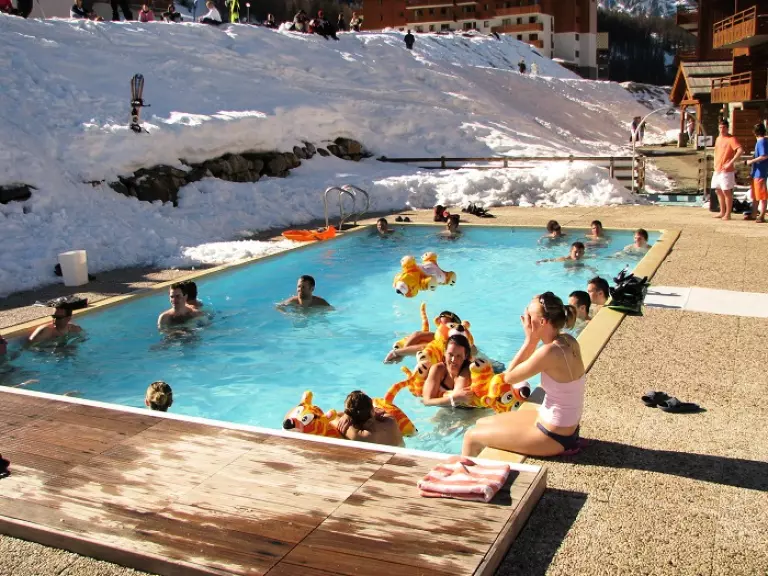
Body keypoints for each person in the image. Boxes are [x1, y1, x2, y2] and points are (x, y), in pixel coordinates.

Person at [462, 292, 584, 457]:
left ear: (542, 322)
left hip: (553, 436)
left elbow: (508, 378)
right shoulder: (569, 340)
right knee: (481, 423)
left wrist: (530, 340)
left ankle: (464, 472)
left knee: (471, 437)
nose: (525, 320)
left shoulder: (549, 352)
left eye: (529, 316)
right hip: (562, 425)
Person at [384, 310, 462, 363]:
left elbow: (418, 336)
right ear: (438, 320)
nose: (453, 321)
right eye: (450, 318)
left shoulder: (452, 340)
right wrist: (402, 354)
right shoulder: (436, 336)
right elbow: (417, 336)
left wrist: (400, 353)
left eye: (456, 322)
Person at [333, 391, 404, 447]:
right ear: (372, 411)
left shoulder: (360, 436)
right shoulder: (391, 421)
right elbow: (380, 411)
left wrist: (346, 415)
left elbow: (333, 417)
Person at [422, 334, 474, 407]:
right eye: (450, 354)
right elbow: (426, 401)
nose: (453, 360)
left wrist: (455, 398)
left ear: (465, 356)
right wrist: (455, 398)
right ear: (444, 352)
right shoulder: (438, 369)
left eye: (458, 356)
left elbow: (458, 403)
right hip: (449, 408)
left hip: (472, 410)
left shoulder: (468, 370)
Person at [712, 118, 744, 221]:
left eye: (724, 127)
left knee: (726, 191)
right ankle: (722, 211)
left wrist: (731, 162)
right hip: (717, 168)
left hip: (726, 170)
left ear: (727, 128)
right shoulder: (718, 138)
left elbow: (740, 150)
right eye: (720, 127)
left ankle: (728, 213)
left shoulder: (731, 139)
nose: (722, 129)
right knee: (718, 190)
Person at [745, 123, 768, 223]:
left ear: (754, 132)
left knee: (761, 196)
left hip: (760, 172)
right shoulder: (762, 141)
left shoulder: (761, 142)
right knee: (755, 195)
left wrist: (751, 161)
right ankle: (754, 214)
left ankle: (761, 215)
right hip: (756, 172)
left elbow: (764, 156)